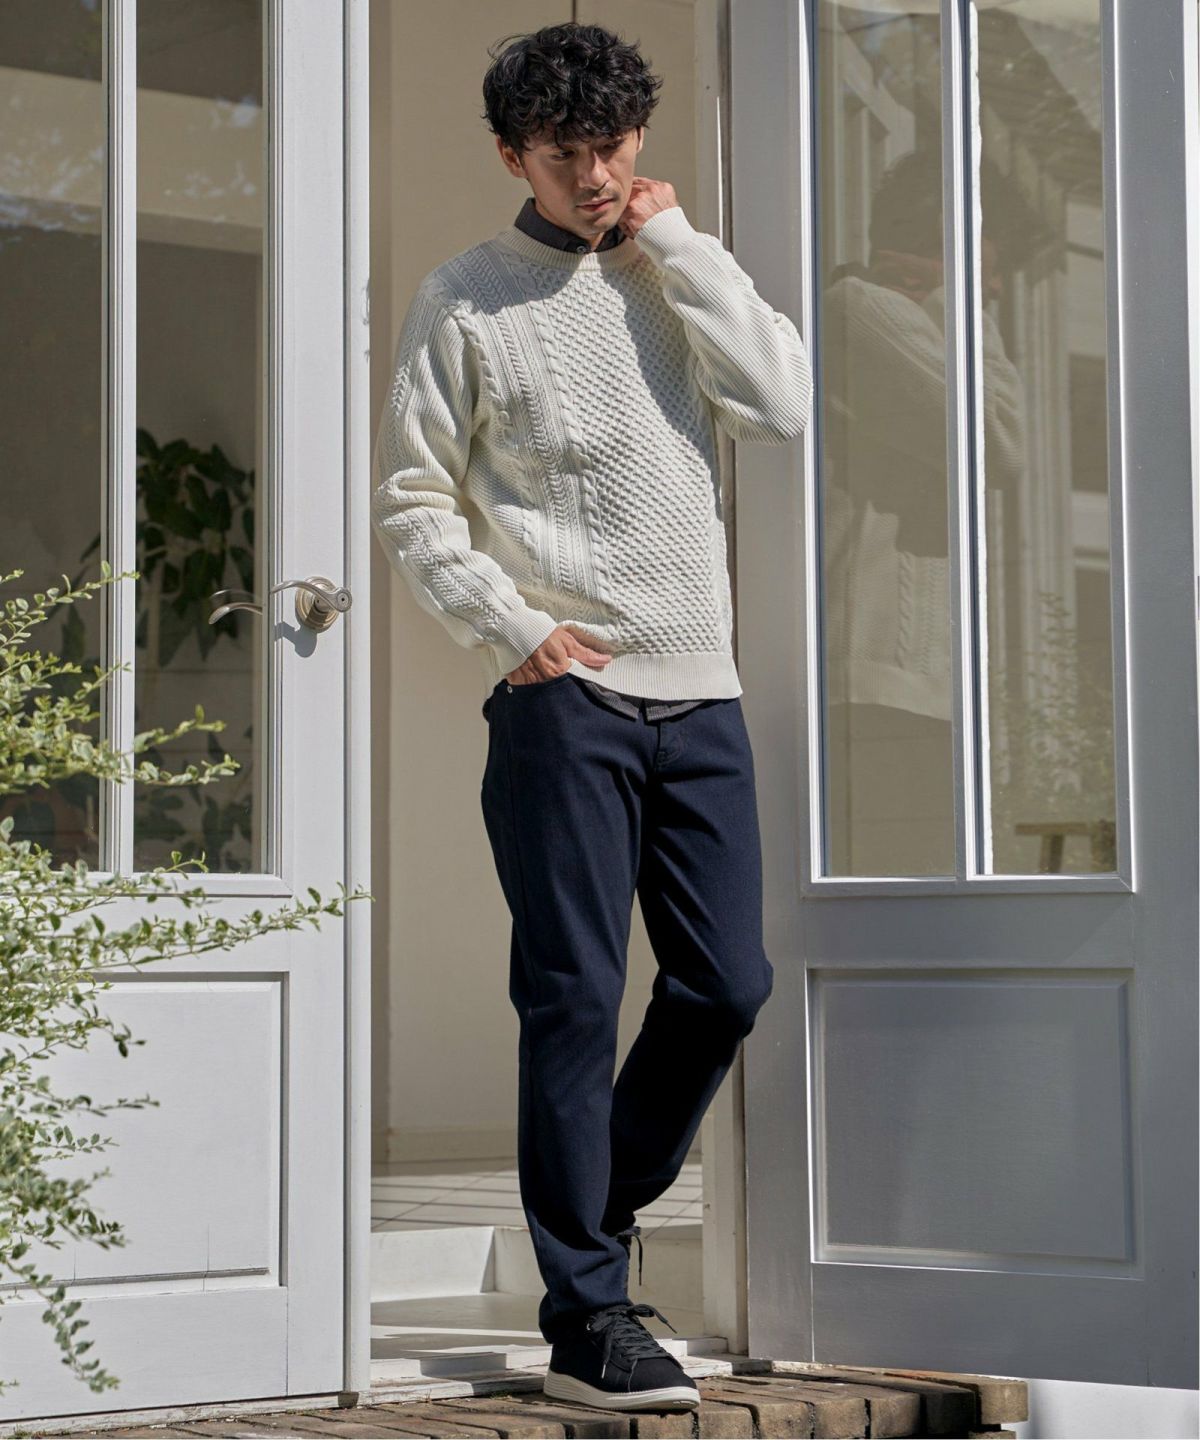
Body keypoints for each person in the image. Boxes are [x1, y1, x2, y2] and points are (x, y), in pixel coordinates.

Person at [371, 20, 811, 1414]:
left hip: (701, 691)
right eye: (566, 154)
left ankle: (595, 1222)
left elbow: (780, 404)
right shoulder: (466, 298)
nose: (597, 176)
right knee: (570, 996)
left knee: (725, 984)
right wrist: (514, 629)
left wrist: (677, 245)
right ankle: (587, 1319)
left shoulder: (670, 271)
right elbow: (413, 500)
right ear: (515, 155)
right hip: (566, 701)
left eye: (615, 148)